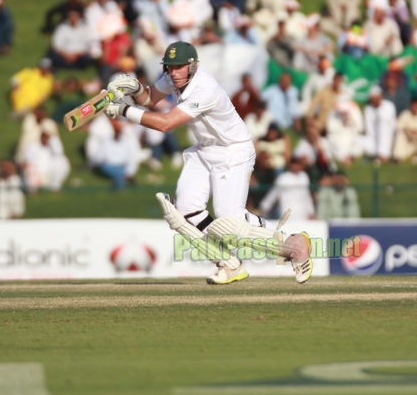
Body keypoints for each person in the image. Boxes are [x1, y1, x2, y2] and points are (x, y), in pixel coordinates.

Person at [104, 41, 313, 284]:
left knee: (229, 222)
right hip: (205, 150)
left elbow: (165, 124)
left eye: (179, 67)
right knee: (185, 212)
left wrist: (122, 109)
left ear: (193, 66)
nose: (173, 72)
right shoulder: (173, 77)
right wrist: (135, 87)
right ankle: (229, 264)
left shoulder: (205, 88)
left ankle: (294, 244)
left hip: (233, 151)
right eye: (170, 67)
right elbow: (150, 98)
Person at [259, 156, 314, 221]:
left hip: (303, 216)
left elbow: (307, 197)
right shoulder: (283, 178)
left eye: (297, 163)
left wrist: (311, 212)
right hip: (288, 216)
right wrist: (264, 207)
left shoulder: (304, 177)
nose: (295, 166)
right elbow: (273, 194)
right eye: (293, 163)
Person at [362, 86, 396, 162]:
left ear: (381, 97)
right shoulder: (368, 109)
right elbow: (369, 128)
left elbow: (390, 126)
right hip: (373, 138)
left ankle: (384, 154)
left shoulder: (389, 106)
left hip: (388, 136)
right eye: (373, 98)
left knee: (382, 124)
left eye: (376, 97)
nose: (375, 100)